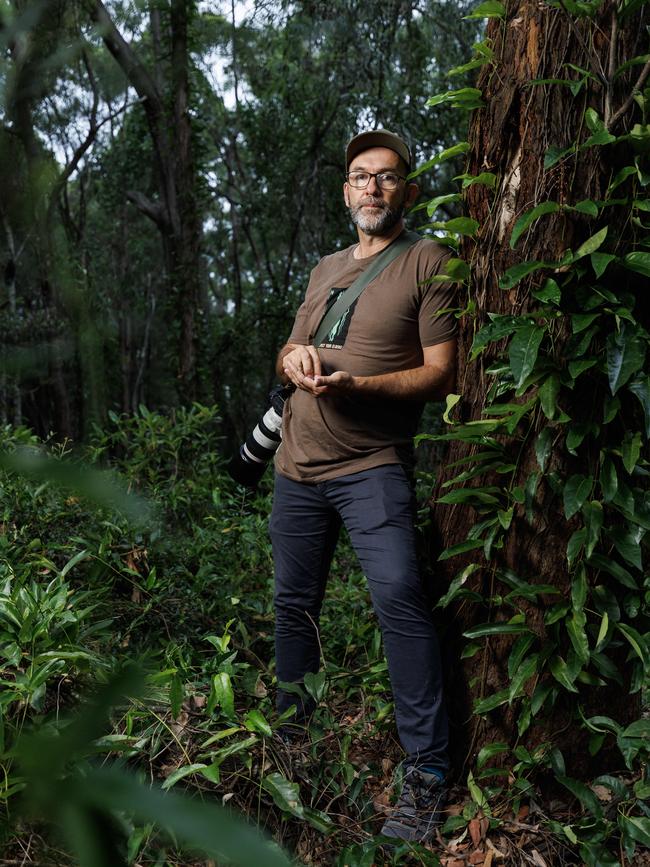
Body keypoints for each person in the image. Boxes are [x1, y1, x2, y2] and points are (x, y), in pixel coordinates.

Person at [270, 129, 457, 843]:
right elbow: (289, 348)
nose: (371, 187)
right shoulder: (324, 268)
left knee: (401, 601)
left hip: (372, 465)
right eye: (359, 176)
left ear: (406, 190)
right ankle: (292, 750)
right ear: (345, 191)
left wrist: (359, 382)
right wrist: (296, 361)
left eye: (385, 176)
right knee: (294, 609)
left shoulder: (429, 260)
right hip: (295, 468)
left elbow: (440, 372)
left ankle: (426, 774)